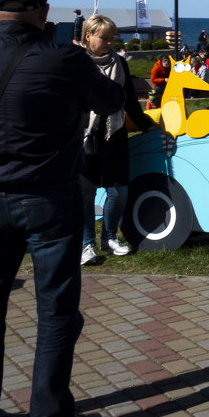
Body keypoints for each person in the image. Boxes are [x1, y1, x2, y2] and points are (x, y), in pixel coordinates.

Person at [0, 0, 124, 417]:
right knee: (56, 311)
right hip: (49, 199)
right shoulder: (64, 58)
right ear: (44, 11)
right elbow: (110, 100)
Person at [78, 15, 157, 265]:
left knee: (118, 191)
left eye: (112, 38)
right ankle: (86, 244)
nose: (110, 43)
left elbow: (130, 102)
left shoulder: (120, 62)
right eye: (104, 38)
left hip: (115, 134)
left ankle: (109, 237)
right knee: (85, 193)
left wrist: (147, 125)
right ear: (88, 36)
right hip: (84, 136)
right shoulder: (76, 62)